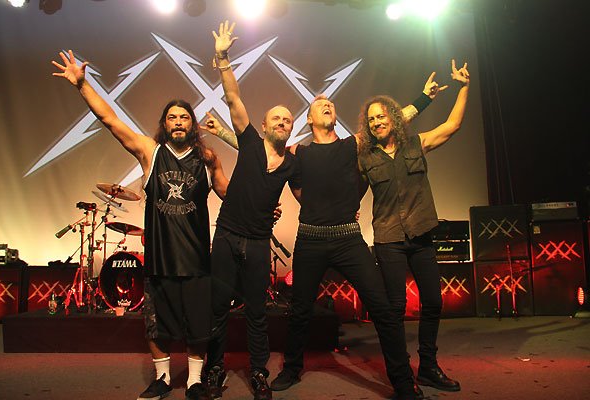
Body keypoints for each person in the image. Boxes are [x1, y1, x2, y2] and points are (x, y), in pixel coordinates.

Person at [52, 50, 228, 400]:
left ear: (192, 124)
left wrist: (263, 207)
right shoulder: (150, 152)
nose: (178, 122)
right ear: (164, 124)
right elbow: (110, 121)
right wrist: (83, 85)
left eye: (184, 117)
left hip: (196, 261)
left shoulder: (207, 158)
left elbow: (230, 194)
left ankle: (194, 382)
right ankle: (162, 378)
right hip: (161, 260)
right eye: (172, 117)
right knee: (156, 325)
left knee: (198, 326)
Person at [269, 78, 441, 399]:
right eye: (320, 104)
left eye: (330, 104)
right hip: (310, 239)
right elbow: (265, 153)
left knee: (383, 308)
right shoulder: (298, 153)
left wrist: (424, 98)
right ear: (309, 119)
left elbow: (397, 117)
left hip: (348, 239)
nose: (327, 104)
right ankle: (291, 369)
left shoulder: (353, 145)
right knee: (300, 310)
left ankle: (403, 381)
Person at [200, 21, 301, 400]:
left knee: (257, 313)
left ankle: (259, 372)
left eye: (288, 120)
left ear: (292, 128)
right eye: (276, 118)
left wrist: (343, 210)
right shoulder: (250, 143)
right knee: (218, 309)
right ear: (263, 125)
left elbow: (309, 194)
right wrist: (223, 57)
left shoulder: (292, 164)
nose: (282, 122)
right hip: (227, 237)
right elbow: (233, 99)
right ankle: (213, 370)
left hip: (258, 243)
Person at [357, 59, 470, 395]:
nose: (377, 121)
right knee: (394, 309)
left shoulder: (415, 144)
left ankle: (429, 366)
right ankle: (402, 373)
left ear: (394, 118)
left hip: (420, 235)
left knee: (433, 302)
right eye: (371, 118)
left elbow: (452, 125)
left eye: (382, 116)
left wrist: (464, 88)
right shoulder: (364, 157)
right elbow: (346, 189)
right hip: (389, 239)